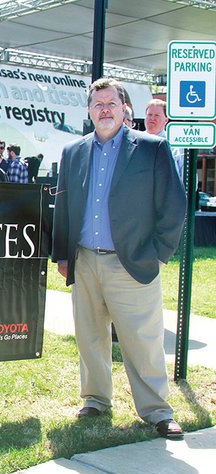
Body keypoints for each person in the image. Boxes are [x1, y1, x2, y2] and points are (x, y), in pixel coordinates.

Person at [52, 78, 187, 440]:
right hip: (85, 261)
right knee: (90, 337)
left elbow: (173, 207)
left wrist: (159, 255)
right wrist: (62, 255)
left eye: (112, 103)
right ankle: (95, 400)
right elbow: (63, 205)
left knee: (142, 340)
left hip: (133, 262)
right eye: (98, 105)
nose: (106, 110)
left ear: (125, 108)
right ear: (89, 111)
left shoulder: (152, 149)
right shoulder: (73, 152)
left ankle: (157, 410)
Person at [145, 98, 184, 181]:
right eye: (149, 115)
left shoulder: (175, 144)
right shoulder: (135, 141)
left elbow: (186, 179)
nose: (152, 118)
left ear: (166, 120)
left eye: (156, 115)